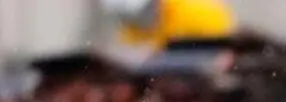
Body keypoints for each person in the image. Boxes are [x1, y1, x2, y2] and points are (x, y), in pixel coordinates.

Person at [100, 0, 237, 53]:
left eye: (145, 11)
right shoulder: (130, 29)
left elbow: (223, 52)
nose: (142, 20)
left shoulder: (201, 12)